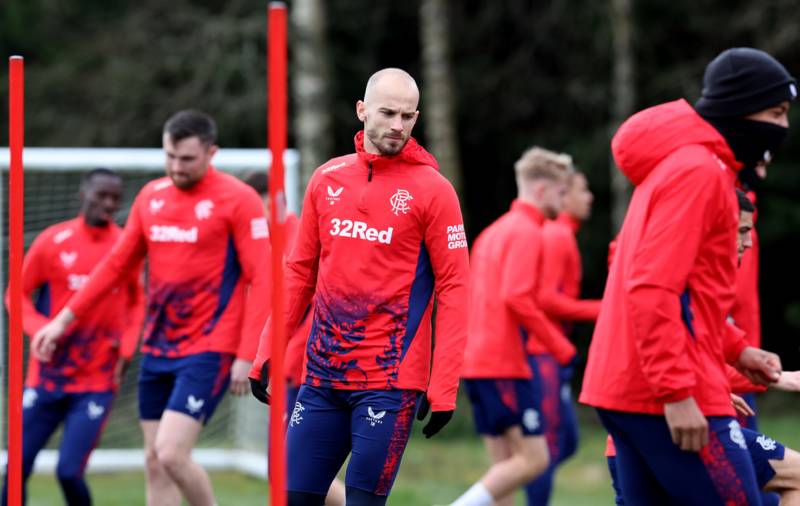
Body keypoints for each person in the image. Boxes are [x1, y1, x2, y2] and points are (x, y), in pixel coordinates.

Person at [580, 47, 793, 505]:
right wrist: (676, 392)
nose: (783, 128)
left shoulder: (687, 166)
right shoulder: (699, 172)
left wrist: (738, 350)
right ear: (740, 108)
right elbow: (651, 287)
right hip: (664, 392)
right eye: (776, 113)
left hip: (629, 387)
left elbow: (688, 293)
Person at [248, 68, 470, 506]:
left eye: (407, 116)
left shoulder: (435, 191)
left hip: (389, 382)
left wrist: (444, 384)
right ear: (362, 110)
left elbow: (455, 288)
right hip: (322, 375)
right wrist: (268, 349)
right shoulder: (326, 178)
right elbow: (299, 273)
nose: (397, 125)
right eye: (387, 113)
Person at [32, 111, 272, 506]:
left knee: (172, 453)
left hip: (210, 347)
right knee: (155, 461)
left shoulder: (239, 199)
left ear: (211, 153)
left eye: (187, 159)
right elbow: (114, 266)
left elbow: (262, 278)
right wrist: (62, 320)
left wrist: (249, 353)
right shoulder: (151, 197)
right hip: (158, 347)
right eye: (170, 157)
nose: (176, 167)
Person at [2, 169, 145, 506]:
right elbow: (15, 294)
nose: (108, 204)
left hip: (97, 379)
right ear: (83, 195)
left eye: (115, 198)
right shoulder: (53, 240)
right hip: (47, 376)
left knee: (69, 472)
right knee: (16, 469)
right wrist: (39, 329)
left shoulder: (125, 246)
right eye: (101, 196)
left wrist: (127, 349)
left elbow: (138, 302)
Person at [453, 147, 575, 506]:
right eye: (562, 192)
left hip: (475, 362)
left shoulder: (493, 232)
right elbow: (517, 297)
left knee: (504, 470)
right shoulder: (528, 232)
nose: (564, 202)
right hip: (503, 363)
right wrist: (560, 346)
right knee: (534, 459)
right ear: (541, 190)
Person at [242, 171, 345, 506]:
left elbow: (305, 306)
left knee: (289, 473)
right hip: (285, 367)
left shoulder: (296, 237)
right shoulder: (265, 239)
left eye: (252, 204)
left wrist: (282, 358)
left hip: (302, 369)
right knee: (285, 474)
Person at [525, 167, 602, 505]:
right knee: (549, 445)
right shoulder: (558, 235)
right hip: (542, 351)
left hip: (553, 352)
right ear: (563, 195)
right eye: (583, 190)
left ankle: (514, 481)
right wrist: (607, 309)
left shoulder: (562, 233)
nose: (590, 197)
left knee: (564, 442)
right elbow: (546, 299)